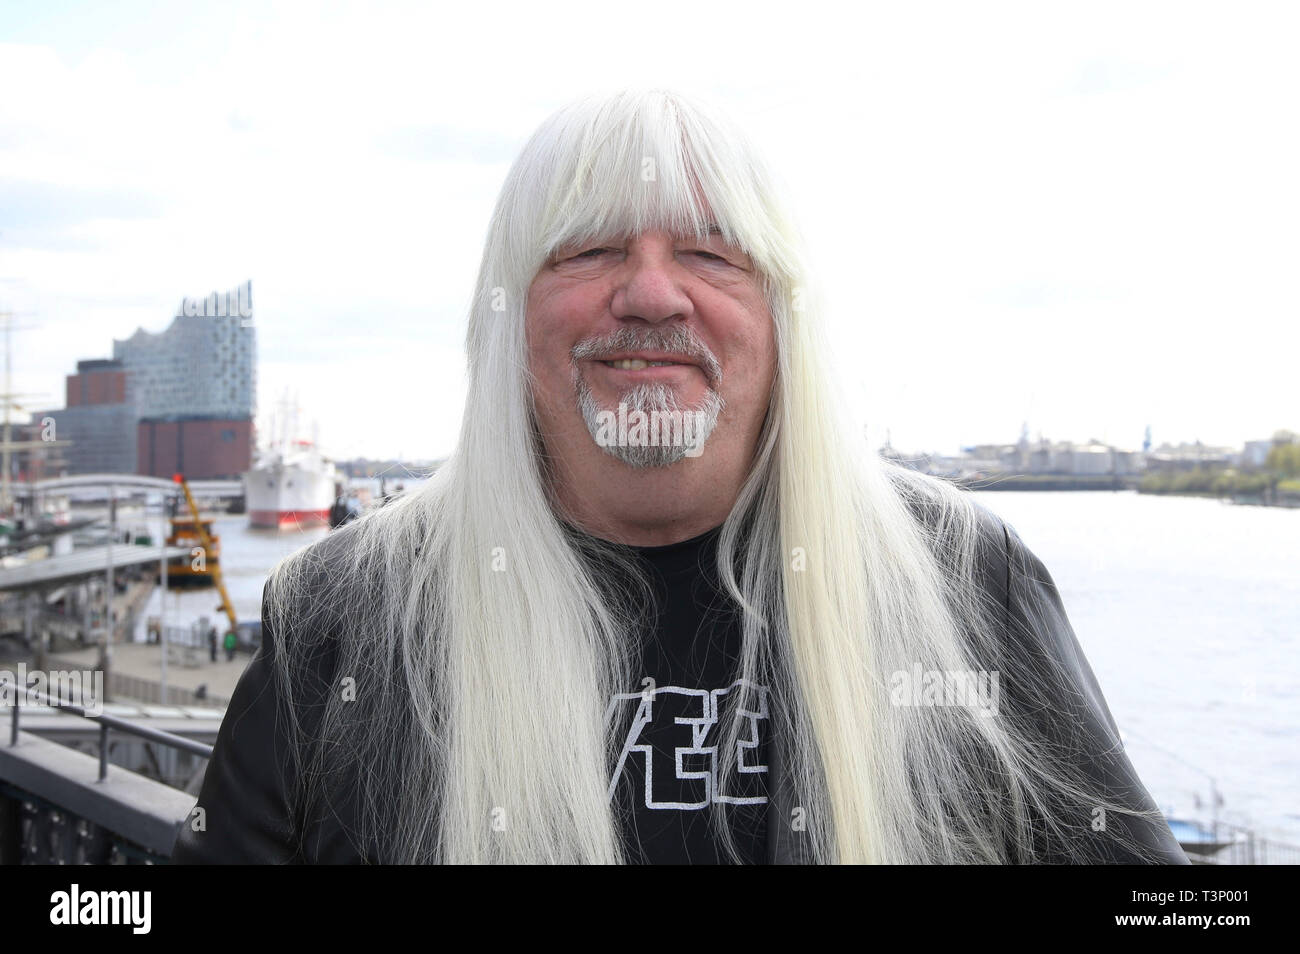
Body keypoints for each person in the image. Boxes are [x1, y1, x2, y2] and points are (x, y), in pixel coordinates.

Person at [172, 88, 1187, 865]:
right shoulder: (344, 612)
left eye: (709, 253)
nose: (651, 293)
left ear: (783, 318)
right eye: (591, 249)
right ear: (510, 313)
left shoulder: (963, 580)